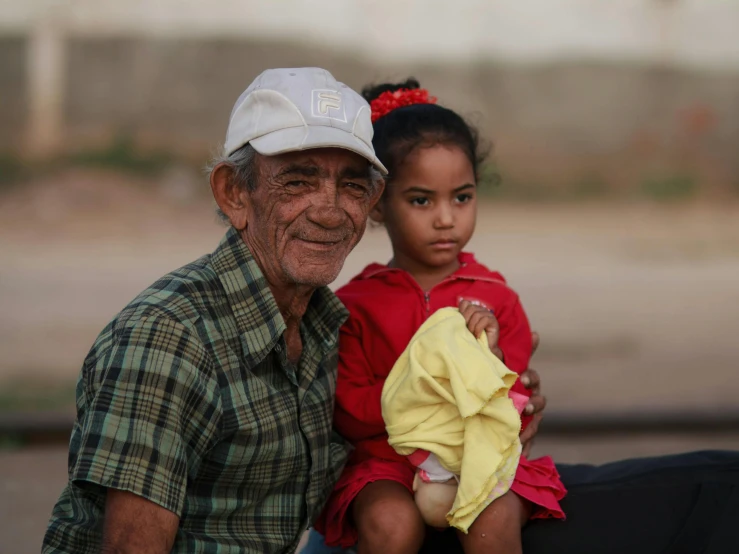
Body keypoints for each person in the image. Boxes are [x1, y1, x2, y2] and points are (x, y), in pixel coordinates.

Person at [42, 66, 389, 554]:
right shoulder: (168, 338)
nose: (330, 211)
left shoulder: (321, 325)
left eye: (352, 186)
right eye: (297, 182)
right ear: (234, 194)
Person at [313, 79, 565, 554]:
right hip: (388, 461)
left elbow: (514, 401)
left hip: (480, 459)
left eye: (462, 197)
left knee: (492, 520)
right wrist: (423, 394)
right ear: (377, 204)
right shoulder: (354, 303)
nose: (446, 218)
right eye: (421, 200)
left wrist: (487, 357)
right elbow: (347, 408)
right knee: (390, 523)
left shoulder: (496, 298)